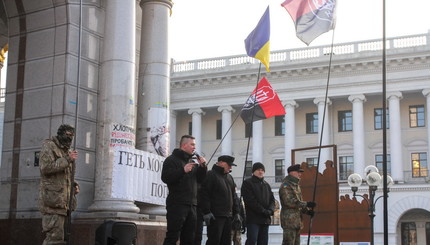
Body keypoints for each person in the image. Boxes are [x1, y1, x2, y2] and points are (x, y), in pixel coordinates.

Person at [161, 135, 208, 245]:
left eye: (194, 145)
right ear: (183, 145)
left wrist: (203, 167)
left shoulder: (192, 162)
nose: (194, 147)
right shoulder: (171, 160)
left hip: (192, 205)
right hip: (177, 204)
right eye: (192, 144)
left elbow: (200, 181)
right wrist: (182, 170)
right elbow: (166, 177)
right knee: (173, 236)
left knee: (189, 238)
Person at [39, 124, 79, 245]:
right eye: (67, 135)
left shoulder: (66, 151)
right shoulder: (49, 146)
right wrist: (67, 159)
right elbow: (45, 168)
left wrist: (74, 185)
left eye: (72, 136)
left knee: (62, 240)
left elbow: (65, 175)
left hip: (64, 204)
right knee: (54, 240)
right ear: (60, 134)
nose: (70, 138)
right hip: (53, 203)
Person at [198, 155, 240, 245]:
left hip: (228, 216)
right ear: (220, 163)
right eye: (228, 165)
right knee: (214, 241)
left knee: (226, 242)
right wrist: (206, 211)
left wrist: (236, 212)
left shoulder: (229, 178)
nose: (230, 167)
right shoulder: (211, 175)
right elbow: (204, 194)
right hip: (215, 216)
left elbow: (234, 196)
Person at [279, 164, 316, 245]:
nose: (300, 174)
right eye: (298, 172)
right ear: (291, 173)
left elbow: (299, 202)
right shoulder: (285, 185)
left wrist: (307, 211)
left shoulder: (296, 186)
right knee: (288, 243)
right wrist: (306, 204)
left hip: (297, 221)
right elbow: (289, 202)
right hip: (289, 221)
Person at [241, 162, 275, 245]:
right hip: (253, 219)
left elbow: (272, 200)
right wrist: (263, 211)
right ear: (253, 171)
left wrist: (270, 210)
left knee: (263, 242)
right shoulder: (247, 183)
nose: (261, 172)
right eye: (258, 170)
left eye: (262, 170)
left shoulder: (266, 184)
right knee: (252, 240)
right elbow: (250, 201)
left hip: (265, 219)